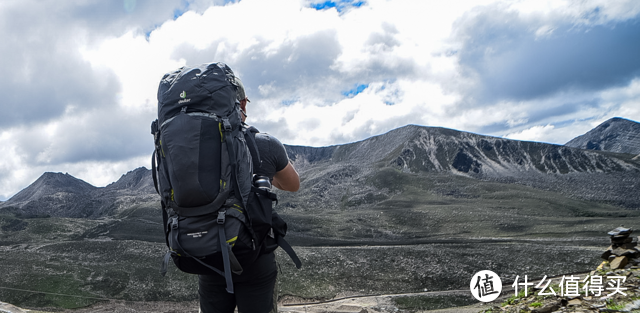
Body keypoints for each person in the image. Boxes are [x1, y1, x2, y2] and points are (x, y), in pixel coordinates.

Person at [198, 76, 300, 313]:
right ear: (242, 104)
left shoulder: (194, 150)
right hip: (255, 260)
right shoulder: (263, 144)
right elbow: (293, 184)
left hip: (208, 257)